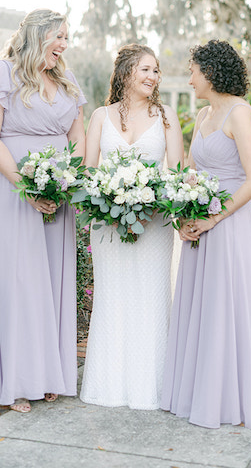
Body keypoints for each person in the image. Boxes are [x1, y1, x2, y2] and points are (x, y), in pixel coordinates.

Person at [0, 8, 86, 413]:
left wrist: (67, 181)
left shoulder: (65, 78)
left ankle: (48, 373)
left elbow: (78, 136)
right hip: (11, 189)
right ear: (37, 35)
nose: (64, 44)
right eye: (59, 37)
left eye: (67, 37)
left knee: (51, 278)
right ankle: (15, 380)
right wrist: (28, 188)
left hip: (57, 192)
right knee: (19, 279)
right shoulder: (1, 72)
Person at [160, 39, 251, 429]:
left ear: (211, 73)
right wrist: (185, 211)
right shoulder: (202, 115)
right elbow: (191, 168)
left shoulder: (240, 113)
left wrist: (214, 218)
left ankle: (233, 397)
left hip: (229, 227)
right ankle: (201, 391)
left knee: (228, 307)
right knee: (204, 309)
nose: (189, 80)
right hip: (200, 226)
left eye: (193, 72)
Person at [80, 43, 184, 410]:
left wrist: (150, 202)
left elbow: (178, 174)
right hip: (108, 227)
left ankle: (151, 389)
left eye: (156, 71)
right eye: (146, 69)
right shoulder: (99, 116)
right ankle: (109, 386)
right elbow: (88, 174)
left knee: (151, 298)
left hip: (154, 226)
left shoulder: (166, 116)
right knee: (114, 298)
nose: (153, 77)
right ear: (126, 72)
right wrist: (108, 202)